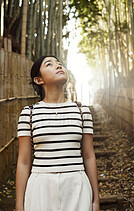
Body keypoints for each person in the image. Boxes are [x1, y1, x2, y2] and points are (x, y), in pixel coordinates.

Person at [15, 55, 100, 211]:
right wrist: (19, 205)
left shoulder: (82, 112)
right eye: (50, 64)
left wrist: (95, 200)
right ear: (38, 80)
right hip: (41, 186)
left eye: (60, 64)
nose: (58, 66)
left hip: (77, 184)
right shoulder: (29, 113)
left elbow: (89, 156)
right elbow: (24, 162)